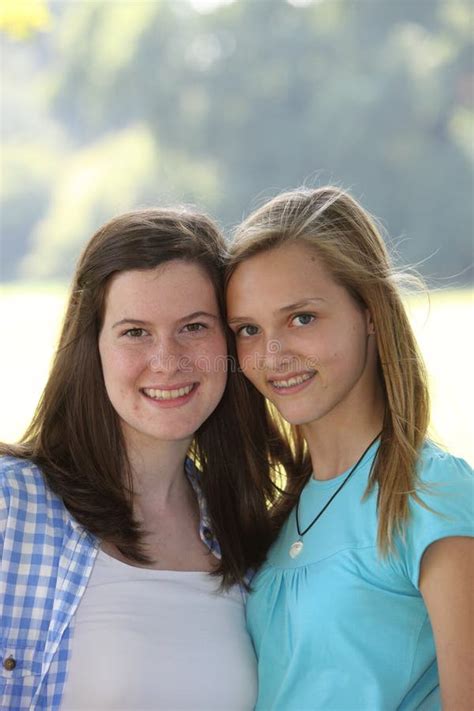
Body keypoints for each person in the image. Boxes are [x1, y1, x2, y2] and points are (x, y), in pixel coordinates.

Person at [0, 207, 280, 711]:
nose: (167, 361)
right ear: (92, 347)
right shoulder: (9, 506)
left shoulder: (247, 534)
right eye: (135, 332)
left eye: (193, 327)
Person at [225, 186, 474, 711]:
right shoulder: (283, 509)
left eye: (302, 318)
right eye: (249, 329)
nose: (272, 355)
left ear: (370, 314)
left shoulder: (432, 494)